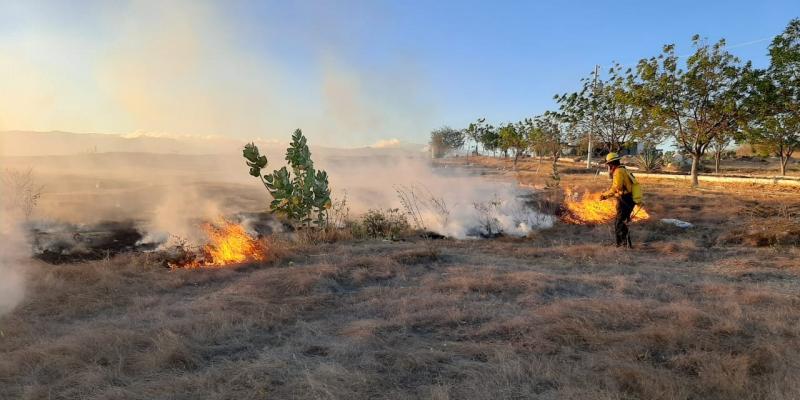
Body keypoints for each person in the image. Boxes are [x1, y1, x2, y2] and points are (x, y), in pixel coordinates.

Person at [599, 152, 635, 247]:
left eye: (609, 164)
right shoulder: (624, 170)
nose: (609, 167)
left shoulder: (618, 172)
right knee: (623, 222)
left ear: (611, 163)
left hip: (624, 199)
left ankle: (622, 245)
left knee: (619, 223)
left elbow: (617, 187)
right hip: (629, 198)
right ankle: (627, 244)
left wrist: (604, 196)